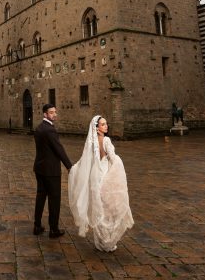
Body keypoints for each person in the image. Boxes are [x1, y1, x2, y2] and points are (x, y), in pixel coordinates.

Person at [69, 115, 134, 252]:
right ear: (97, 128)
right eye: (103, 124)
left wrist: (75, 169)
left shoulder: (91, 142)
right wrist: (117, 166)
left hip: (95, 176)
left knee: (98, 206)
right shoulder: (106, 140)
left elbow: (86, 160)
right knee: (108, 209)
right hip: (105, 174)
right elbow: (112, 158)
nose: (106, 126)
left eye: (106, 124)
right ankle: (108, 242)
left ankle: (100, 242)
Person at [33, 103, 73, 238]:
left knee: (40, 197)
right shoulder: (50, 130)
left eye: (55, 112)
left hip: (39, 168)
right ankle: (54, 229)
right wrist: (69, 166)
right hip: (51, 171)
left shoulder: (39, 128)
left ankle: (37, 226)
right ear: (45, 114)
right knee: (54, 199)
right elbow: (59, 149)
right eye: (51, 112)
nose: (54, 114)